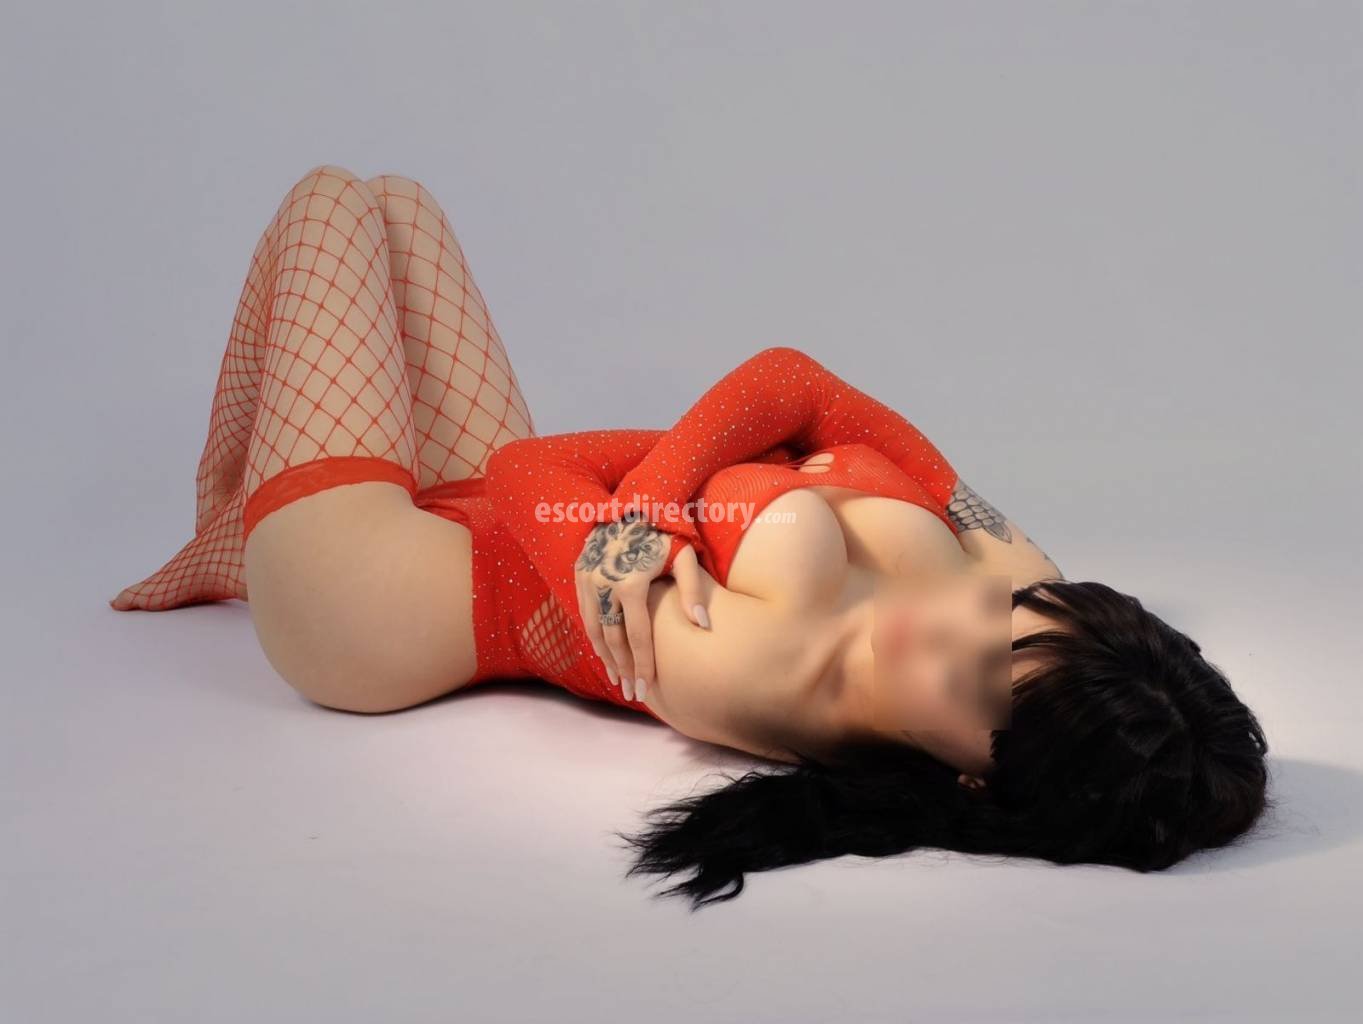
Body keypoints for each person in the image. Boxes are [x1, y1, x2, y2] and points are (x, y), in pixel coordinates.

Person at [112, 164, 1271, 908]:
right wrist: (654, 501)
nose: (939, 623)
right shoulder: (1028, 586)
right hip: (505, 515)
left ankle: (242, 532)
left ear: (978, 779)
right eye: (995, 617)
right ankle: (238, 521)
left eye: (966, 681)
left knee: (329, 203)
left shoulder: (761, 672)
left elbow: (530, 471)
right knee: (398, 201)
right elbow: (799, 380)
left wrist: (642, 501)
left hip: (382, 598)